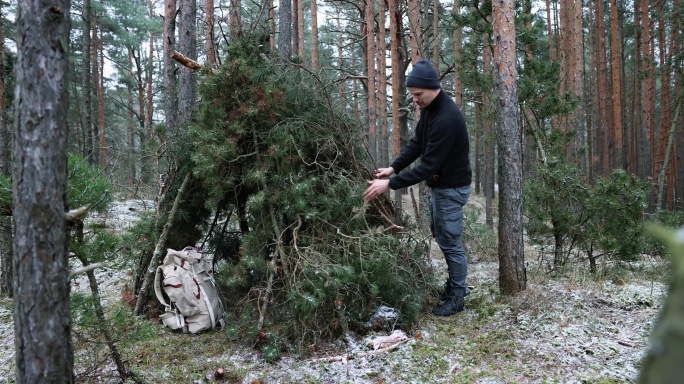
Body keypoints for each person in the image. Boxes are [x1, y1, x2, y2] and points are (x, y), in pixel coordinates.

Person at [363, 59, 472, 316]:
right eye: (412, 95)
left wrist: (390, 184)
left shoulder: (446, 118)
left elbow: (427, 166)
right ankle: (455, 287)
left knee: (450, 241)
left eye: (418, 94)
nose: (414, 100)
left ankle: (457, 296)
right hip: (441, 186)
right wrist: (393, 168)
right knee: (442, 236)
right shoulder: (431, 111)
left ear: (433, 88)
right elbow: (416, 145)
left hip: (451, 188)